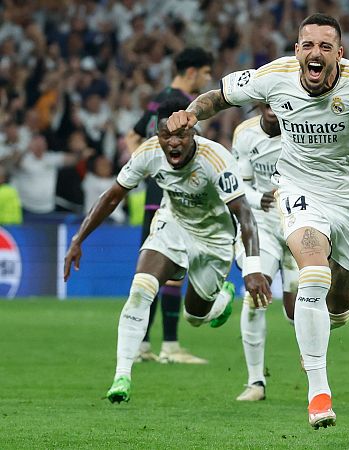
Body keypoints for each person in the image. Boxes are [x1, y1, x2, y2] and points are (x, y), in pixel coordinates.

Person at [167, 13, 349, 428]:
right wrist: (189, 113)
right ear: (297, 50)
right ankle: (319, 393)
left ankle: (330, 320)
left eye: (325, 47)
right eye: (308, 45)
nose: (315, 53)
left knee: (339, 308)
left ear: (338, 54)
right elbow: (219, 95)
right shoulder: (276, 76)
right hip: (299, 190)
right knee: (312, 270)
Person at [64, 102, 270, 404]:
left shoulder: (215, 159)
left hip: (213, 240)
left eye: (181, 136)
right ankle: (122, 375)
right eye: (166, 135)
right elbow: (112, 197)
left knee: (195, 317)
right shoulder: (148, 153)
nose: (173, 142)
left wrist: (252, 267)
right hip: (172, 226)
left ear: (194, 133)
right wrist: (78, 239)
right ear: (157, 135)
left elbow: (245, 215)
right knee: (140, 290)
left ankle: (221, 299)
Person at [126, 47, 214, 364]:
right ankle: (169, 345)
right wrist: (156, 168)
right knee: (167, 270)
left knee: (153, 272)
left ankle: (145, 345)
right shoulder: (180, 106)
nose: (208, 79)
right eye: (206, 73)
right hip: (170, 196)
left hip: (158, 194)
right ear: (192, 72)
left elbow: (132, 136)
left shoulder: (158, 98)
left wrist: (146, 167)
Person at [231, 104, 299, 402]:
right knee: (254, 298)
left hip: (301, 222)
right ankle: (255, 381)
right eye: (268, 101)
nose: (274, 108)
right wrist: (261, 199)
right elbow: (239, 186)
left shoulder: (305, 129)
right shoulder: (245, 134)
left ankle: (314, 370)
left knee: (298, 309)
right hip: (263, 224)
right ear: (260, 102)